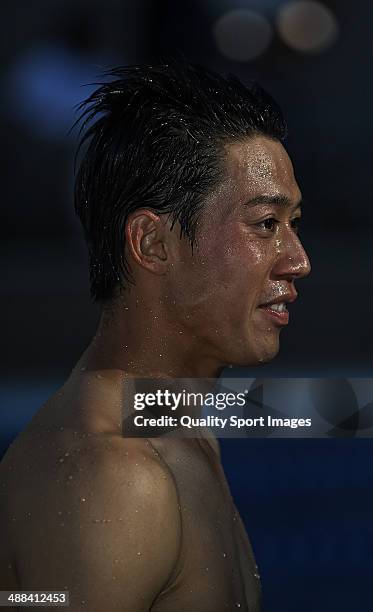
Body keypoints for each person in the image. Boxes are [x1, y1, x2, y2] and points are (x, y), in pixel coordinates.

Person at [0, 60, 310, 611]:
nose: (298, 261)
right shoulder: (113, 477)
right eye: (266, 224)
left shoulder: (166, 420)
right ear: (153, 244)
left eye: (294, 224)